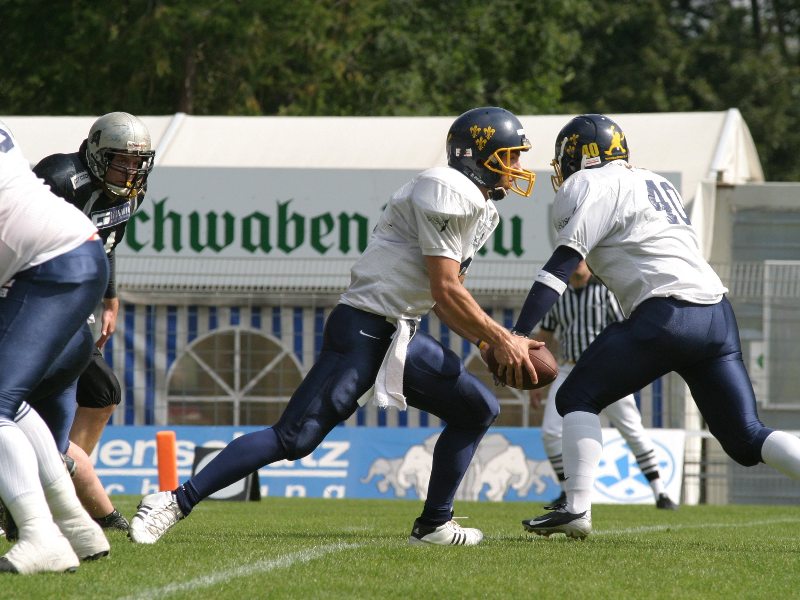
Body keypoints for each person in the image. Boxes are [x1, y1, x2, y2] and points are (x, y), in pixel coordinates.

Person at [128, 106, 541, 547]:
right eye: (510, 156)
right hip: (364, 329)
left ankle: (434, 524)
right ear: (477, 155)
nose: (517, 166)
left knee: (476, 409)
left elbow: (444, 299)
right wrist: (501, 338)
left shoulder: (481, 208)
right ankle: (172, 500)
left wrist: (485, 341)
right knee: (294, 438)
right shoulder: (447, 188)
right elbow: (446, 289)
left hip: (399, 333)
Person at [498, 113, 800, 540]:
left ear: (581, 156)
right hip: (716, 314)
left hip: (667, 314)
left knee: (576, 397)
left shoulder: (587, 184)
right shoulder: (656, 181)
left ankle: (576, 507)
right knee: (747, 439)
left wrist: (517, 332)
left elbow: (561, 267)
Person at [28, 112, 154, 533]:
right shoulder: (61, 178)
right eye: (122, 160)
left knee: (102, 394)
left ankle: (56, 488)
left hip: (71, 308)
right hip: (36, 304)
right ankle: (42, 491)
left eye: (137, 162)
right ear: (99, 153)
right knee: (26, 402)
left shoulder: (132, 192)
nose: (130, 170)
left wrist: (110, 297)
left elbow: (105, 245)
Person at [0, 120, 110, 574]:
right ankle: (75, 525)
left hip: (50, 268)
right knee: (9, 401)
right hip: (68, 259)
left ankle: (39, 534)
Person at [530, 260, 677, 510]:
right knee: (551, 432)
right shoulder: (559, 297)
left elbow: (627, 329)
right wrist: (536, 382)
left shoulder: (605, 291)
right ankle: (566, 491)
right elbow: (544, 337)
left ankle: (660, 492)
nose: (577, 263)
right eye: (573, 258)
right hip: (569, 368)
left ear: (589, 262)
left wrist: (628, 369)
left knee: (632, 429)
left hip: (606, 368)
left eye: (581, 258)